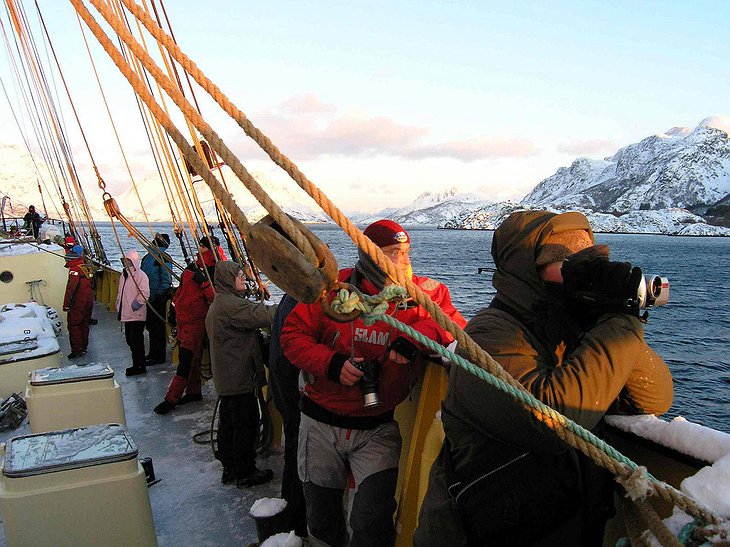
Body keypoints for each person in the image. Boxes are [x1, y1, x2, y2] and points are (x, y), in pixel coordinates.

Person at [415, 210, 674, 546]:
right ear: (528, 270)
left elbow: (655, 398)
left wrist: (605, 313)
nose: (582, 277)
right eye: (571, 266)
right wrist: (619, 321)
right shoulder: (490, 335)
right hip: (479, 531)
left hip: (557, 527)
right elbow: (554, 422)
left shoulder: (571, 331)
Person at [282, 219, 467, 547]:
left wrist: (417, 338)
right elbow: (292, 335)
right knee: (322, 517)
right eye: (394, 253)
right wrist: (332, 363)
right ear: (369, 257)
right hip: (320, 423)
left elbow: (455, 327)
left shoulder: (424, 296)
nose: (405, 261)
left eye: (407, 252)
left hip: (378, 429)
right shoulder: (332, 292)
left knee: (372, 521)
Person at [206, 261, 278, 487]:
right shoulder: (231, 306)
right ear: (228, 280)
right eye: (238, 276)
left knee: (230, 423)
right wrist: (288, 305)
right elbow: (261, 315)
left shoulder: (221, 302)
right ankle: (245, 471)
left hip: (228, 375)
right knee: (246, 423)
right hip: (237, 375)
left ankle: (230, 467)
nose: (243, 279)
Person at [153, 243, 217, 414]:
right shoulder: (191, 270)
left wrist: (204, 283)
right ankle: (193, 391)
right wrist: (173, 310)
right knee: (191, 361)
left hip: (196, 326)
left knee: (185, 363)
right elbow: (180, 293)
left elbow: (216, 299)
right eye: (201, 245)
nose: (201, 248)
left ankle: (171, 398)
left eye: (205, 246)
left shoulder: (213, 272)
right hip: (183, 324)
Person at [268, 293, 307, 536]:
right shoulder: (301, 302)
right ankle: (296, 521)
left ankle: (290, 513)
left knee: (293, 451)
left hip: (283, 387)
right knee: (299, 454)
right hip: (294, 392)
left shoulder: (289, 298)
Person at [116, 249, 150, 376]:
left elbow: (145, 293)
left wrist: (135, 305)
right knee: (130, 341)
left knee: (136, 340)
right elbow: (121, 292)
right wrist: (118, 304)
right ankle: (137, 363)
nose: (125, 263)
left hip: (136, 314)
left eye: (128, 260)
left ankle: (140, 365)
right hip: (126, 313)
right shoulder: (124, 275)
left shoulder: (140, 276)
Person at [141, 233, 173, 365]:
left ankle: (158, 356)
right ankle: (154, 353)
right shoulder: (152, 256)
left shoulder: (155, 257)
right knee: (152, 326)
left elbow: (166, 279)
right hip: (150, 296)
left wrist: (158, 295)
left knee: (156, 327)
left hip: (155, 297)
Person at [62, 244, 93, 358]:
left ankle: (77, 350)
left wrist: (66, 305)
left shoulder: (74, 271)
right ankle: (83, 347)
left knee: (74, 326)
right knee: (84, 324)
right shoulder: (85, 267)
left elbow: (71, 289)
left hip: (78, 303)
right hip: (88, 301)